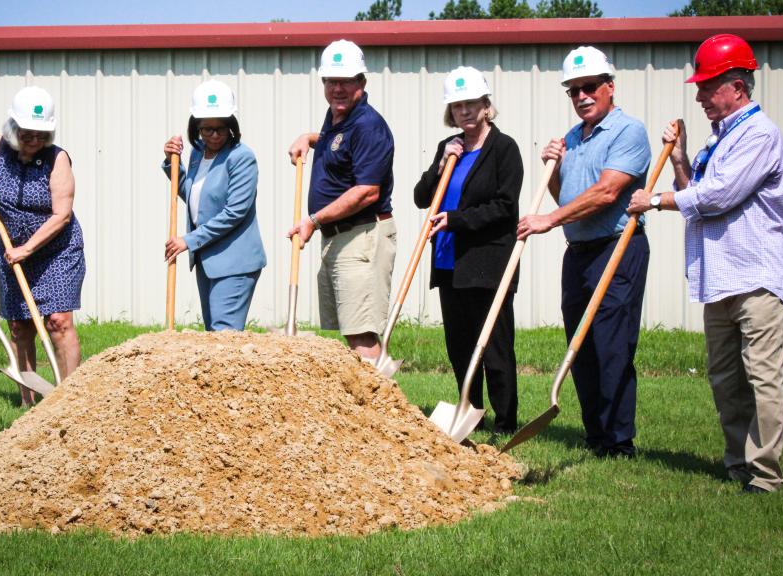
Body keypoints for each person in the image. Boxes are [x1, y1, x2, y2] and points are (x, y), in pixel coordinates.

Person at [627, 34, 783, 493]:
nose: (698, 96)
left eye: (707, 86)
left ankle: (764, 477)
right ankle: (737, 463)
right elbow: (697, 190)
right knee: (724, 380)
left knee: (762, 379)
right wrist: (680, 160)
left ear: (737, 86)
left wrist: (654, 200)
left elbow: (718, 197)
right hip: (720, 278)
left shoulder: (759, 135)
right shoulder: (720, 140)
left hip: (756, 277)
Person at [517, 46, 651, 458]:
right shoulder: (573, 138)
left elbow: (607, 193)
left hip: (617, 247)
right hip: (578, 253)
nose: (581, 96)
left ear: (610, 87)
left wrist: (549, 219)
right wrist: (553, 170)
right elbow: (570, 194)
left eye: (589, 87)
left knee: (612, 344)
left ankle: (619, 442)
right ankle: (596, 436)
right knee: (581, 344)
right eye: (573, 90)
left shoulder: (628, 131)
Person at [0, 86, 85, 405]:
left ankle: (71, 401)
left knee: (58, 322)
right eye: (27, 133)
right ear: (13, 129)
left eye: (41, 134)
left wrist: (27, 250)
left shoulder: (57, 159)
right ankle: (29, 404)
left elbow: (62, 215)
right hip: (10, 247)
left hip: (56, 249)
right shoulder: (0, 149)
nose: (34, 140)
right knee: (20, 325)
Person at [414, 67, 523, 434]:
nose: (464, 111)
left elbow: (505, 206)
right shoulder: (453, 149)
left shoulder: (503, 149)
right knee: (459, 345)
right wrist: (442, 163)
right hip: (449, 263)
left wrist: (458, 220)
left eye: (471, 103)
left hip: (487, 262)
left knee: (493, 345)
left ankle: (506, 420)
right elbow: (421, 197)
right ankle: (471, 411)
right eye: (457, 105)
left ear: (486, 106)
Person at [287, 40, 396, 360]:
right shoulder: (338, 117)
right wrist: (308, 137)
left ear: (361, 81)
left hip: (362, 236)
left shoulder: (368, 125)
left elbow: (367, 191)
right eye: (331, 81)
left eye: (345, 81)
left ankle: (380, 407)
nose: (337, 88)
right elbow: (339, 146)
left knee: (361, 334)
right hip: (339, 238)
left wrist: (314, 220)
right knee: (349, 330)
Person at [162, 80, 266, 331]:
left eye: (221, 128)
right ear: (196, 127)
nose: (215, 135)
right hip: (208, 259)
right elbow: (197, 199)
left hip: (235, 263)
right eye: (207, 129)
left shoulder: (242, 157)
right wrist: (171, 164)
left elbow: (234, 212)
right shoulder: (199, 152)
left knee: (224, 335)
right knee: (213, 336)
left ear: (232, 125)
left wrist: (189, 240)